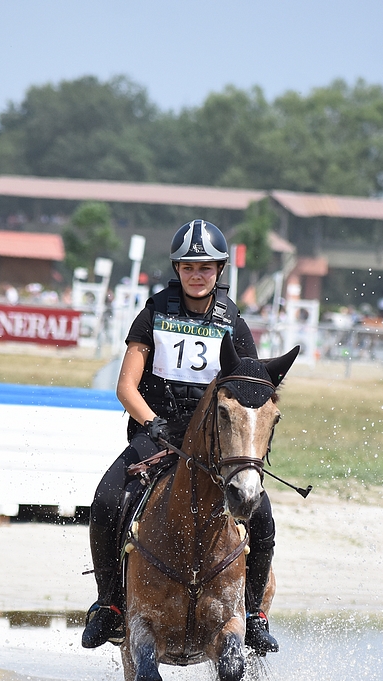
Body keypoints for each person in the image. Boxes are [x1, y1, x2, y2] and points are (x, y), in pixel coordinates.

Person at [82, 219, 279, 656]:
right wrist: (151, 422)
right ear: (177, 268)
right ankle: (110, 605)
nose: (197, 274)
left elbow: (250, 394)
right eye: (189, 266)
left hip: (213, 443)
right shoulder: (153, 312)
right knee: (108, 499)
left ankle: (255, 616)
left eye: (205, 267)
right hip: (159, 433)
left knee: (261, 514)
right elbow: (125, 387)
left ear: (219, 271)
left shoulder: (235, 324)